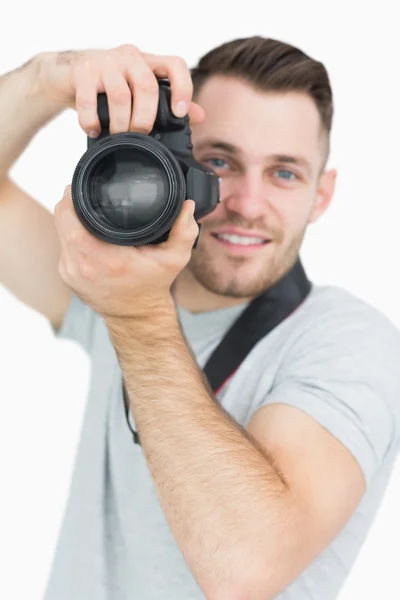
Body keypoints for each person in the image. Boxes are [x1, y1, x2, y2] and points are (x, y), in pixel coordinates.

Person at [0, 36, 399, 600]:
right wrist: (44, 79)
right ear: (170, 164)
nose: (247, 203)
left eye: (284, 173)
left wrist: (137, 318)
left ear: (321, 195)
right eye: (219, 162)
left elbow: (245, 569)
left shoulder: (349, 343)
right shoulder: (112, 287)